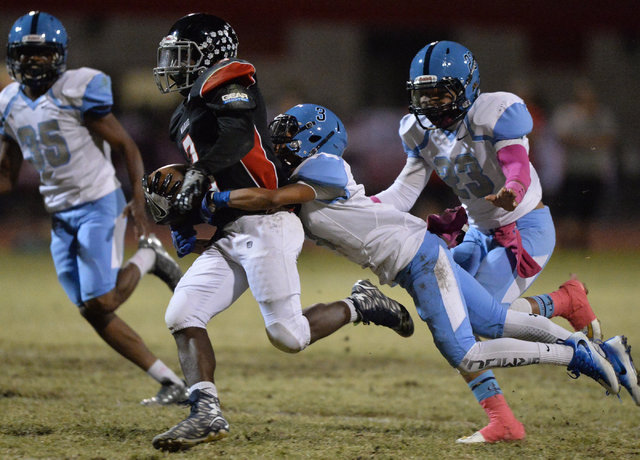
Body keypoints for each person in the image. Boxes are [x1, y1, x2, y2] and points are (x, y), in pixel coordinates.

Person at [206, 103, 639, 443]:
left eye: (286, 138)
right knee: (493, 319)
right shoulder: (313, 173)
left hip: (417, 258)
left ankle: (575, 354)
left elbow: (273, 198)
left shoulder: (322, 168)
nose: (278, 146)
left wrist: (215, 196)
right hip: (416, 257)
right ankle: (590, 345)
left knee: (466, 352)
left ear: (314, 140)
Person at [148, 13, 414, 452]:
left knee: (287, 336)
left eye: (182, 56)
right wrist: (181, 217)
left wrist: (198, 175)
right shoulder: (185, 111)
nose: (172, 66)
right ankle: (204, 413)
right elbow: (212, 174)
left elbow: (234, 138)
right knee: (182, 314)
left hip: (268, 223)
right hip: (231, 229)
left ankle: (360, 304)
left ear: (211, 55)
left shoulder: (232, 81)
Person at [0, 11, 187, 406]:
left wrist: (137, 199)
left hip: (99, 201)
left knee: (101, 300)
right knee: (92, 312)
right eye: (26, 55)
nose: (34, 64)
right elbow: (8, 174)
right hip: (61, 212)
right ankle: (169, 381)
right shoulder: (8, 102)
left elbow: (126, 146)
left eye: (42, 55)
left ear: (60, 56)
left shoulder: (77, 88)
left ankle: (149, 259)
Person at [370, 41, 601, 339]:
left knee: (480, 319)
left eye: (439, 94)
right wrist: (359, 207)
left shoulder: (492, 112)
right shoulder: (416, 129)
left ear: (467, 87)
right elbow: (404, 190)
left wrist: (514, 190)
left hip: (524, 226)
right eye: (423, 95)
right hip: (477, 230)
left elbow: (516, 165)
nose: (430, 103)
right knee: (442, 300)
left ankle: (565, 302)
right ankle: (566, 300)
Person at [550, 78, 619, 249]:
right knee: (571, 212)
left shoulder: (602, 114)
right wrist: (589, 143)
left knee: (589, 214)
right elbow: (563, 137)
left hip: (595, 171)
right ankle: (566, 246)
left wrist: (583, 143)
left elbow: (609, 138)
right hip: (574, 170)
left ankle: (583, 247)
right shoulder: (568, 114)